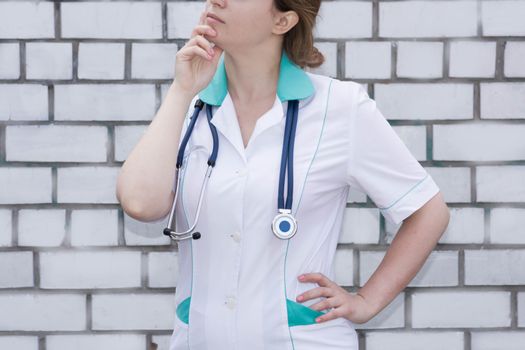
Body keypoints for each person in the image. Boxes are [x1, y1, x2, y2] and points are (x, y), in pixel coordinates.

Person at [116, 0, 450, 349]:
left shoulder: (338, 108)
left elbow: (428, 211)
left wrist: (366, 302)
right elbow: (140, 203)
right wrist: (181, 90)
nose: (217, 0)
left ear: (283, 20)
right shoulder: (189, 108)